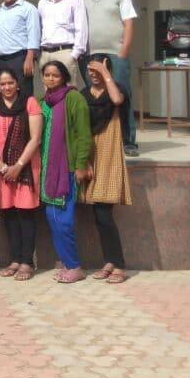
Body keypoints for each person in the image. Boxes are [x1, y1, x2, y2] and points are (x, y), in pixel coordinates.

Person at [0, 68, 43, 282]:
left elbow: (35, 138)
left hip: (26, 168)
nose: (7, 87)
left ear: (18, 84)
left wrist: (18, 165)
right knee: (9, 213)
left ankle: (27, 261)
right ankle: (15, 259)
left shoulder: (30, 103)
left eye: (10, 83)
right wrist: (1, 165)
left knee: (25, 214)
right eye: (2, 84)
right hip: (1, 170)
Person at [80, 56, 132, 284]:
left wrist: (105, 72)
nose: (93, 74)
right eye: (90, 70)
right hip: (91, 153)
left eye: (98, 70)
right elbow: (81, 128)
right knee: (99, 214)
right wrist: (84, 160)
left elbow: (117, 100)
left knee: (103, 212)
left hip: (109, 152)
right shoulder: (84, 95)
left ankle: (118, 264)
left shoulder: (116, 90)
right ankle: (110, 262)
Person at [39, 60, 92, 284]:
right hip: (47, 169)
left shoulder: (74, 99)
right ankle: (67, 263)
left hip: (66, 169)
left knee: (64, 220)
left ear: (64, 78)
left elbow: (83, 135)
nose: (50, 79)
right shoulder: (42, 101)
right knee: (52, 219)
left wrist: (80, 165)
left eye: (55, 75)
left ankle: (75, 266)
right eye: (47, 75)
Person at [82, 0, 139, 156]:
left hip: (116, 54)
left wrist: (123, 52)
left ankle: (128, 141)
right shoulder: (80, 0)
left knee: (122, 95)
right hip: (90, 54)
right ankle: (100, 138)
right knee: (95, 97)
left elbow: (129, 25)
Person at [37, 0, 88, 95]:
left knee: (68, 92)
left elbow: (81, 28)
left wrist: (74, 54)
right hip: (45, 54)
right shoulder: (42, 2)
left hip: (65, 52)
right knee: (49, 93)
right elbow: (39, 28)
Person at [0, 0, 41, 99]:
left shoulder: (28, 8)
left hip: (19, 59)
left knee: (23, 95)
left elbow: (34, 35)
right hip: (1, 60)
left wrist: (29, 58)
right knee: (3, 96)